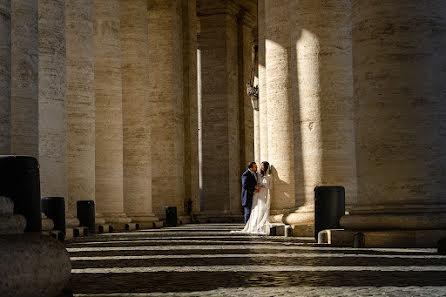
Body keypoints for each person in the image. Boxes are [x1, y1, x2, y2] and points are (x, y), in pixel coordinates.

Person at [239, 161, 273, 235]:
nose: (258, 167)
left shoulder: (257, 174)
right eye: (256, 166)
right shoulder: (246, 174)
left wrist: (262, 187)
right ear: (251, 167)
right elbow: (245, 186)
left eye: (261, 166)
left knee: (259, 210)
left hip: (261, 194)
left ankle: (258, 226)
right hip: (252, 195)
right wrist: (255, 188)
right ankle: (249, 226)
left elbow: (269, 186)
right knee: (249, 212)